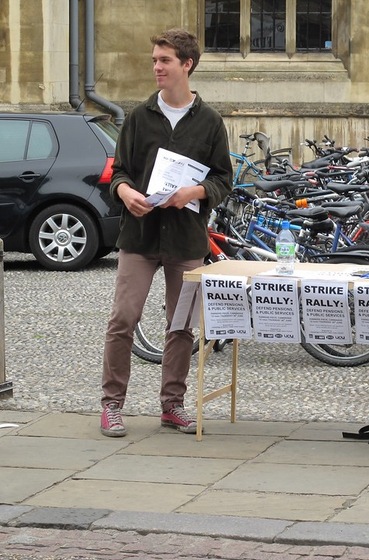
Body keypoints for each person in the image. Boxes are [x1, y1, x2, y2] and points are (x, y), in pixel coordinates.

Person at [100, 28, 232, 437]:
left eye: (164, 60)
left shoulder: (210, 122)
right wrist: (124, 192)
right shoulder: (139, 117)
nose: (156, 67)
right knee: (123, 318)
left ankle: (172, 405)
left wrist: (195, 191)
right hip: (139, 236)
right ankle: (111, 405)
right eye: (154, 60)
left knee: (180, 326)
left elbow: (224, 180)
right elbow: (117, 172)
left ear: (186, 65)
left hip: (185, 237)